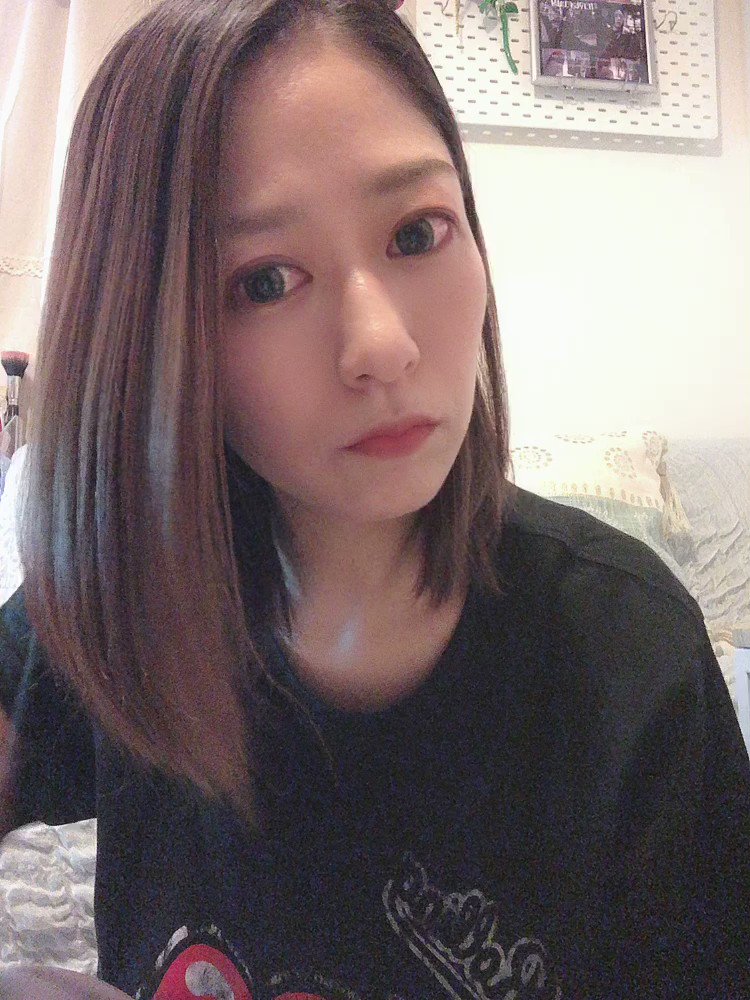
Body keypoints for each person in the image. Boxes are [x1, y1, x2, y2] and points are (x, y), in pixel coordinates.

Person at [0, 0, 749, 998]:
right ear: (149, 334)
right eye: (267, 282)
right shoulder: (121, 601)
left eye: (416, 232)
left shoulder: (630, 654)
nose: (383, 345)